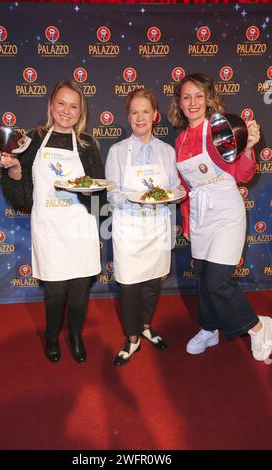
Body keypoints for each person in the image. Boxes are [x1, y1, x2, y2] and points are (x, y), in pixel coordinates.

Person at [0, 80, 106, 364]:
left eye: (73, 106)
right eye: (61, 103)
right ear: (50, 105)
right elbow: (22, 197)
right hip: (49, 229)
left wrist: (87, 192)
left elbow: (99, 198)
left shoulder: (86, 145)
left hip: (79, 228)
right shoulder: (32, 141)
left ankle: (75, 335)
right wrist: (15, 169)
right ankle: (51, 335)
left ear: (81, 111)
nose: (66, 111)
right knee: (56, 293)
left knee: (80, 294)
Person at [168, 72, 272, 364]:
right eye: (186, 96)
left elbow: (243, 174)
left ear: (208, 99)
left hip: (227, 212)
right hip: (200, 216)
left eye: (198, 96)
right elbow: (187, 187)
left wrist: (249, 147)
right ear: (180, 102)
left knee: (218, 282)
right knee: (203, 279)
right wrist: (188, 223)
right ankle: (209, 329)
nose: (192, 102)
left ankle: (260, 326)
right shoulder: (180, 140)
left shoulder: (222, 128)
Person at [105, 88, 181, 366]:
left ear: (155, 116)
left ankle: (146, 326)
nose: (140, 117)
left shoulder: (167, 151)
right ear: (128, 117)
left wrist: (166, 196)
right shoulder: (116, 152)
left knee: (151, 283)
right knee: (129, 287)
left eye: (145, 111)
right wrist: (138, 200)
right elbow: (111, 193)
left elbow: (175, 188)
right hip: (128, 228)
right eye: (134, 112)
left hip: (158, 226)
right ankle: (132, 337)